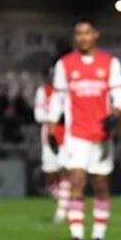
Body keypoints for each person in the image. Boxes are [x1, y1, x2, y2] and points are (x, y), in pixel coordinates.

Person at [53, 19, 121, 240]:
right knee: (76, 181)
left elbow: (119, 94)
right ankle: (76, 236)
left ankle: (98, 235)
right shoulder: (64, 65)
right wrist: (53, 129)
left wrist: (115, 113)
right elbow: (58, 99)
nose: (83, 37)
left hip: (102, 135)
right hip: (76, 135)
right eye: (78, 33)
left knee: (101, 185)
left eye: (87, 32)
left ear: (96, 34)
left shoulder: (109, 63)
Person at [33, 76, 70, 223]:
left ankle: (62, 210)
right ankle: (64, 201)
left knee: (66, 173)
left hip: (68, 137)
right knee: (49, 175)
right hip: (49, 137)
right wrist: (55, 116)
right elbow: (38, 115)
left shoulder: (69, 91)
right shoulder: (43, 91)